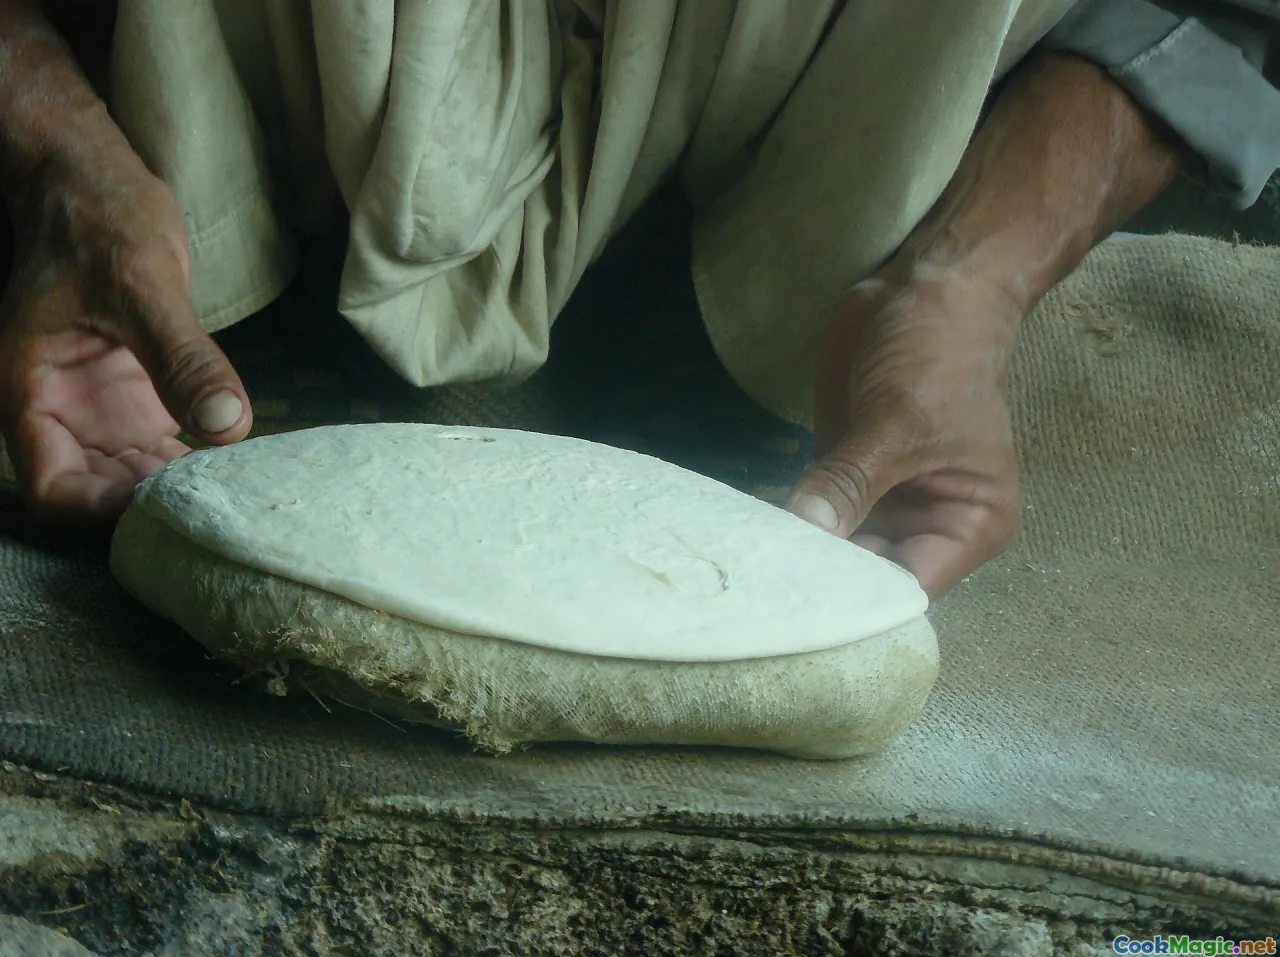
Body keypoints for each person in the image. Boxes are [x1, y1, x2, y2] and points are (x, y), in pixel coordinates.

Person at [0, 0, 1276, 598]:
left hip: (832, 171)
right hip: (220, 133)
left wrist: (970, 276)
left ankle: (745, 296)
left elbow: (1211, 14)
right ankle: (267, 243)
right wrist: (58, 150)